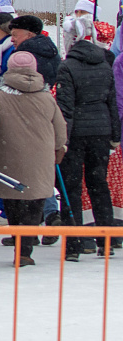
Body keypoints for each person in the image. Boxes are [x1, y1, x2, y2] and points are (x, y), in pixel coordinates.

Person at [0, 51, 67, 265]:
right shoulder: (46, 96)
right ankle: (25, 250)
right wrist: (59, 148)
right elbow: (60, 127)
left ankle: (19, 241)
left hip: (8, 156)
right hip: (41, 156)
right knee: (35, 203)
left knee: (13, 202)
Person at [54, 16, 120, 260]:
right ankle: (106, 241)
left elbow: (66, 107)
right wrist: (114, 134)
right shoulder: (103, 64)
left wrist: (62, 139)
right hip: (100, 131)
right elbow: (110, 101)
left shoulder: (67, 66)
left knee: (71, 187)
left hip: (76, 133)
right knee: (98, 184)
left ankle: (73, 244)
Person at [9, 14, 61, 86]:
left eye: (15, 35)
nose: (12, 40)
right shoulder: (50, 51)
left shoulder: (25, 58)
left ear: (29, 35)